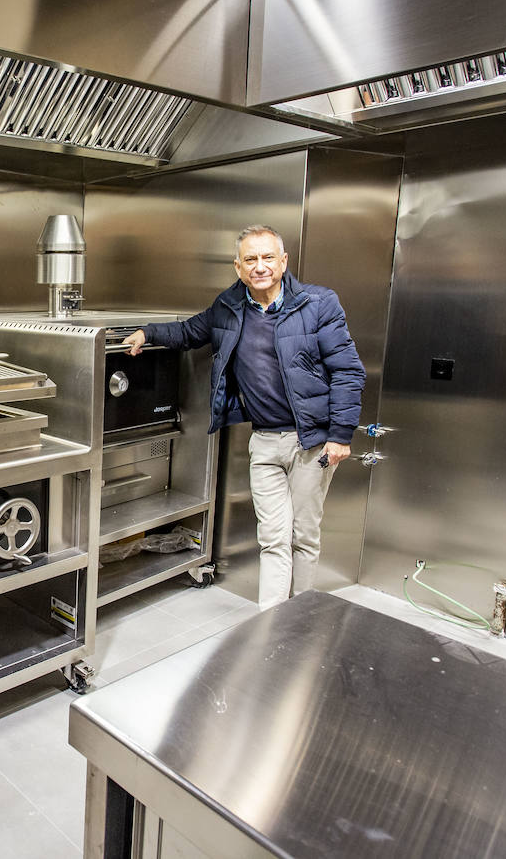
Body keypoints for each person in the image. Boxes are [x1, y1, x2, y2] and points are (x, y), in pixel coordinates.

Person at [124, 224, 364, 610]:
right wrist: (146, 333)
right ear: (238, 267)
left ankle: (300, 613)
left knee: (304, 534)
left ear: (283, 262)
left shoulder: (319, 304)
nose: (260, 266)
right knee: (272, 536)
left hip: (312, 441)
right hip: (265, 441)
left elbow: (348, 371)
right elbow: (189, 331)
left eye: (268, 257)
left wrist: (341, 435)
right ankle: (271, 619)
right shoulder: (228, 307)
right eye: (250, 259)